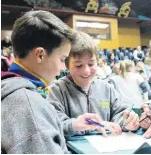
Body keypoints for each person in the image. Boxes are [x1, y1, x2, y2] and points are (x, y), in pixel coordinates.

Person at [1, 10, 106, 154]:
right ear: (40, 55)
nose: (63, 68)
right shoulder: (27, 105)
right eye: (62, 60)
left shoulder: (15, 90)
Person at [46, 31, 139, 137]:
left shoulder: (106, 88)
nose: (86, 71)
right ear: (67, 65)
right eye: (78, 65)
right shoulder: (57, 90)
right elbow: (54, 124)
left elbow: (119, 113)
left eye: (91, 64)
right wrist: (76, 125)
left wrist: (127, 122)